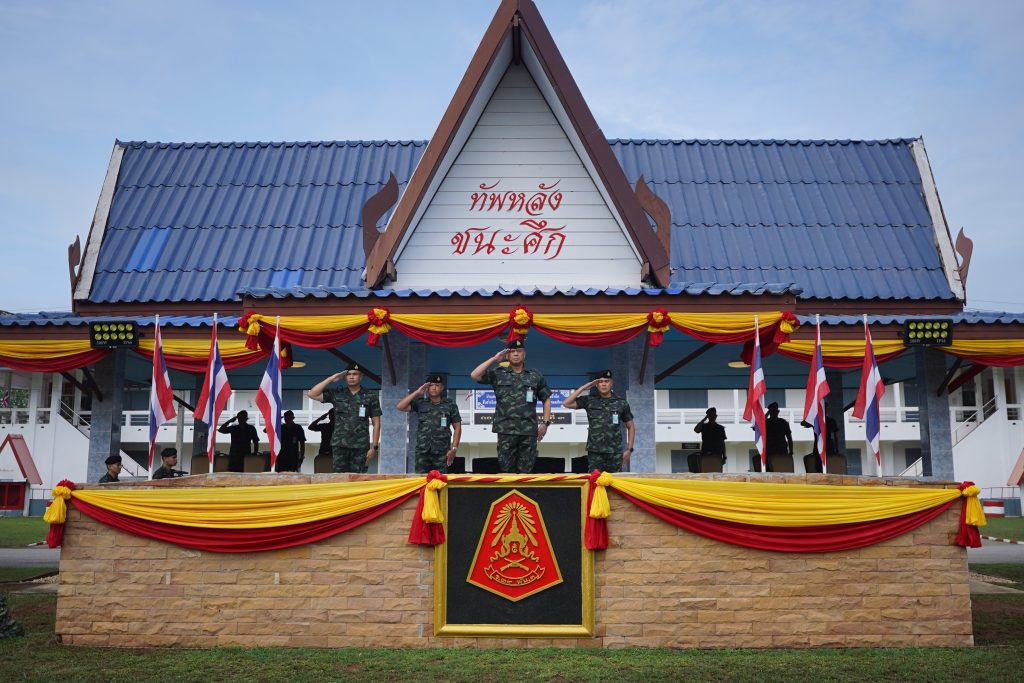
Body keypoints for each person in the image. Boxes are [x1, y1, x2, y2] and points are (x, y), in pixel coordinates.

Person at [470, 339, 552, 474]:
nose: (515, 354)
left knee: (526, 471)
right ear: (507, 355)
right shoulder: (498, 373)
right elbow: (475, 375)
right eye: (512, 351)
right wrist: (494, 359)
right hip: (505, 430)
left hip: (528, 431)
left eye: (519, 351)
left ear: (524, 354)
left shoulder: (535, 375)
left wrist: (545, 423)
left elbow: (546, 399)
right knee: (507, 471)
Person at [308, 363, 382, 473]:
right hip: (340, 445)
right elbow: (312, 394)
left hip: (360, 446)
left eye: (355, 374)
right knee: (339, 477)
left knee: (358, 477)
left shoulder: (370, 396)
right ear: (344, 377)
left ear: (361, 377)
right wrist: (331, 379)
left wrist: (374, 447)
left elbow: (377, 423)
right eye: (348, 374)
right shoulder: (337, 394)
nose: (351, 377)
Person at [563, 370, 635, 473]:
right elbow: (566, 403)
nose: (603, 384)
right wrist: (583, 388)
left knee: (614, 481)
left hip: (614, 452)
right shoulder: (589, 400)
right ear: (596, 385)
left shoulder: (621, 403)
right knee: (595, 480)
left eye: (606, 381)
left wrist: (629, 450)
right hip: (595, 452)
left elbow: (631, 426)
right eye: (600, 382)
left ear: (611, 383)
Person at [397, 373, 462, 474]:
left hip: (442, 452)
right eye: (431, 385)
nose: (434, 388)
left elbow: (457, 427)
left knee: (440, 480)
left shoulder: (450, 404)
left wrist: (454, 448)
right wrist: (417, 392)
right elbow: (400, 406)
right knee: (421, 480)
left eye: (437, 385)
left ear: (442, 388)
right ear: (427, 388)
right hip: (423, 451)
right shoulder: (421, 403)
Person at [765, 402, 793, 469]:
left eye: (774, 411)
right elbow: (789, 438)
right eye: (772, 411)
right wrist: (791, 451)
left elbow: (789, 438)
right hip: (773, 452)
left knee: (779, 470)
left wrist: (791, 451)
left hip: (778, 451)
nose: (774, 413)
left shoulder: (783, 422)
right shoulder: (766, 423)